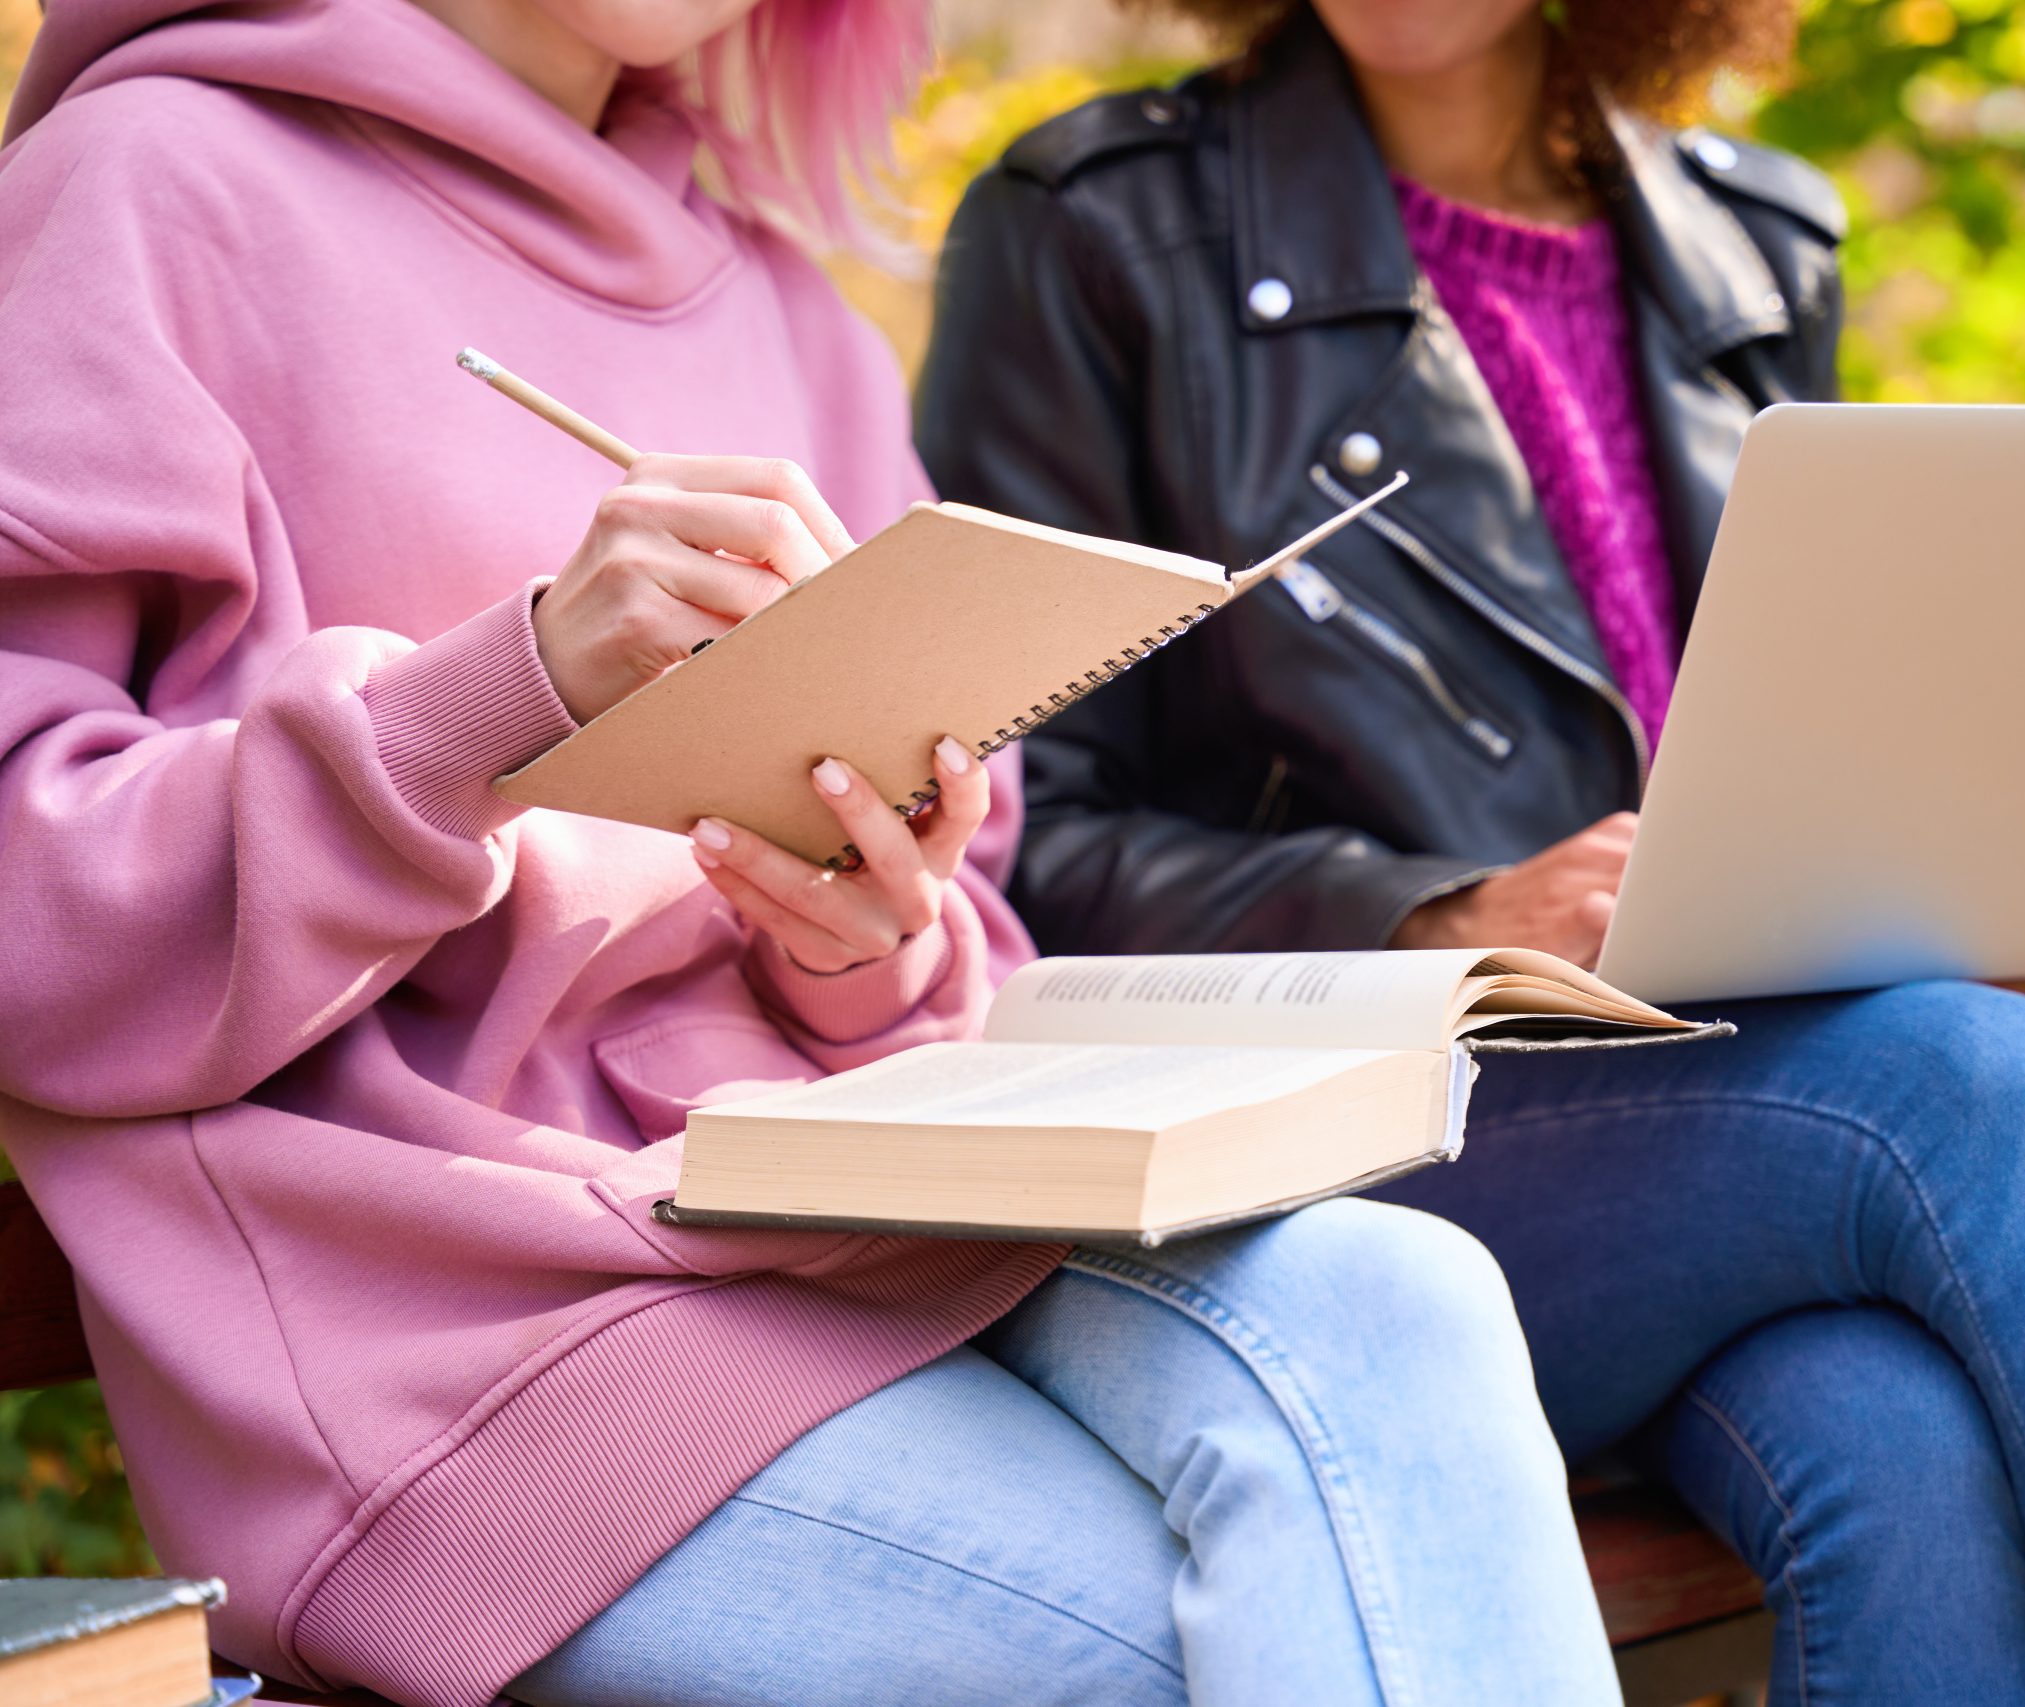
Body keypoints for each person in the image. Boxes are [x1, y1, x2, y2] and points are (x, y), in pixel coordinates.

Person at [0, 1, 1634, 1703]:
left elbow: (930, 942)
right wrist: (512, 687)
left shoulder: (782, 302)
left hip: (844, 1212)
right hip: (459, 1342)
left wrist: (861, 937)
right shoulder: (145, 188)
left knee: (1405, 1298)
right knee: (1272, 1636)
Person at [912, 3, 2025, 1701]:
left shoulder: (1757, 242)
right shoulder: (1090, 224)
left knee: (1899, 1440)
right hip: (1343, 1150)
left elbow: (1802, 726)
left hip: (1721, 1126)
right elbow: (1015, 837)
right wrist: (1443, 917)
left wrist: (1965, 870)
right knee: (1964, 1075)